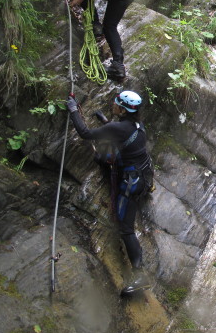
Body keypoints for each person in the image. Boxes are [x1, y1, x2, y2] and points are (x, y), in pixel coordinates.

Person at [66, 90, 154, 295]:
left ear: (122, 108)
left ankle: (139, 275)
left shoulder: (117, 128)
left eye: (116, 103)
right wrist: (106, 122)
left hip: (131, 184)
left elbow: (85, 134)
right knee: (104, 155)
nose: (112, 104)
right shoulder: (138, 125)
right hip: (143, 175)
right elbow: (122, 137)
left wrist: (73, 110)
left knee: (126, 229)